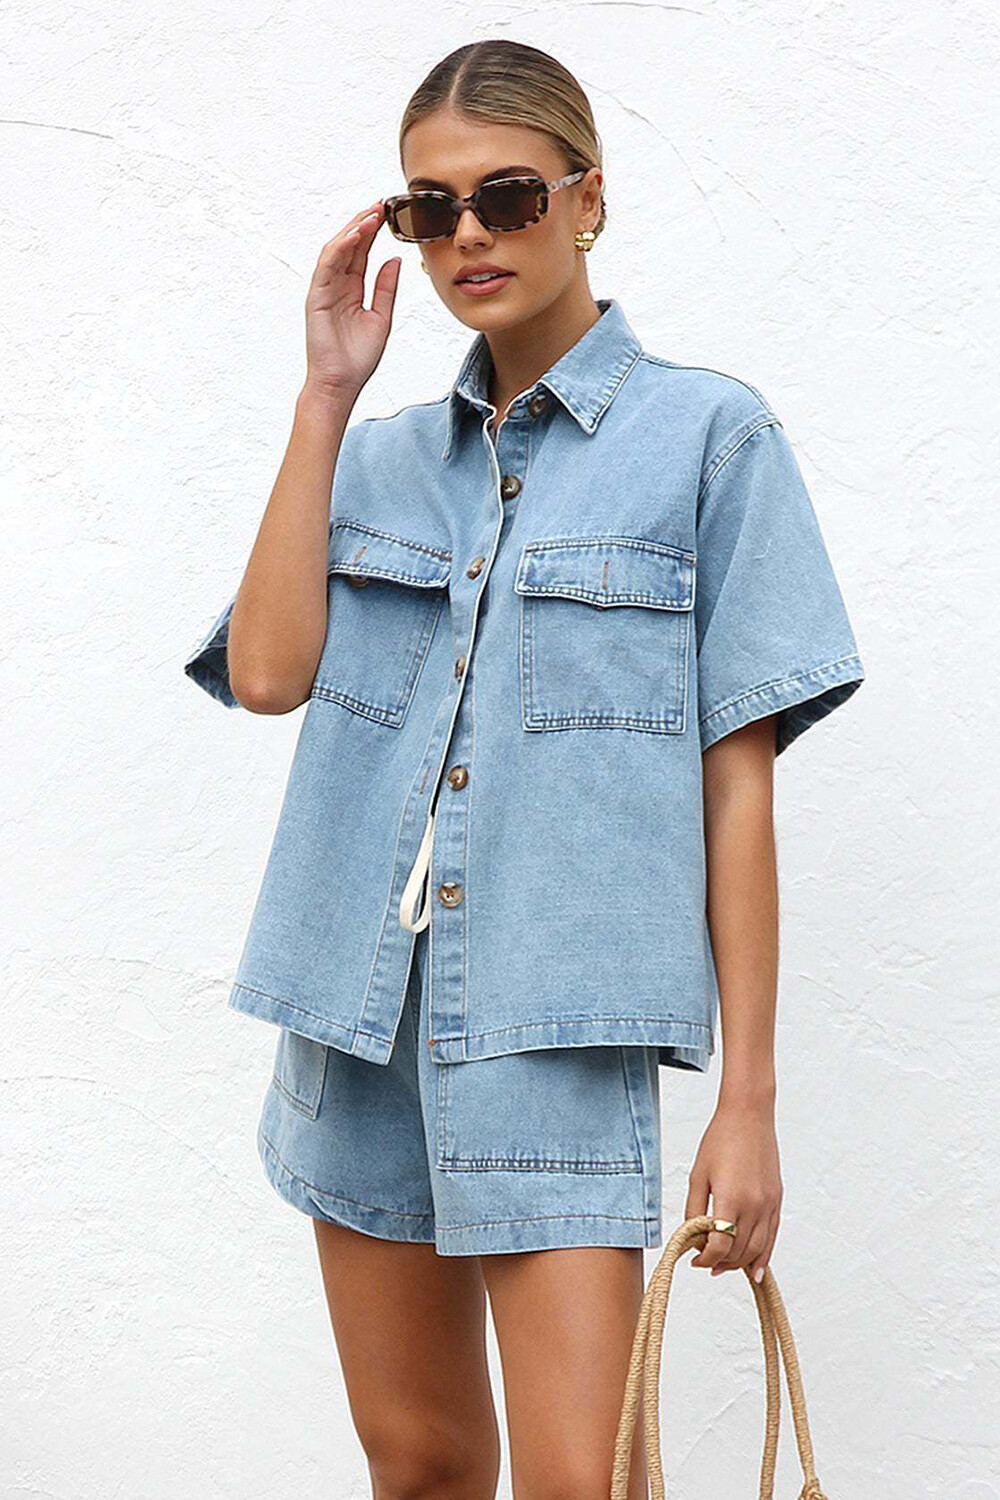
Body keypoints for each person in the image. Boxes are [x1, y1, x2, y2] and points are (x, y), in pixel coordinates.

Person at [183, 38, 865, 1500]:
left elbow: (737, 785)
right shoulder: (372, 461)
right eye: (430, 210)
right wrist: (323, 393)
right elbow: (268, 675)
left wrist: (747, 1101)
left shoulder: (710, 439)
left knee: (583, 1480)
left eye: (507, 196)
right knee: (421, 1461)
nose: (469, 237)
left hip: (552, 1035)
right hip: (356, 1022)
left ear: (588, 200)